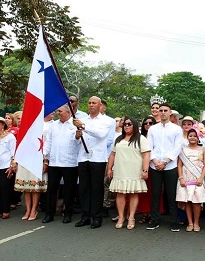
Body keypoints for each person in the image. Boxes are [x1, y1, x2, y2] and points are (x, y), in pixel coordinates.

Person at [73, 96, 115, 229]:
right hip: (83, 157)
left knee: (96, 189)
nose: (91, 105)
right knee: (84, 188)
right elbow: (76, 140)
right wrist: (77, 136)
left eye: (94, 103)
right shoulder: (83, 120)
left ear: (100, 105)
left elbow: (101, 135)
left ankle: (96, 217)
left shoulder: (106, 120)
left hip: (97, 158)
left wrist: (83, 127)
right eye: (89, 103)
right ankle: (85, 216)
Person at [107, 116, 150, 230]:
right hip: (120, 170)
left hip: (134, 170)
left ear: (134, 125)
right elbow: (112, 154)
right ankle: (121, 217)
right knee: (120, 193)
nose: (126, 126)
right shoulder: (118, 139)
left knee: (133, 193)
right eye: (125, 124)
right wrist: (109, 168)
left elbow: (146, 155)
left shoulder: (141, 139)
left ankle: (131, 217)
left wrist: (145, 170)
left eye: (129, 124)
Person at [146, 102, 183, 231]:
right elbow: (149, 147)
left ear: (170, 113)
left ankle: (174, 221)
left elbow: (177, 147)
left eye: (165, 110)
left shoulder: (176, 129)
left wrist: (166, 161)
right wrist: (155, 162)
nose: (162, 112)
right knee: (155, 194)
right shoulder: (152, 129)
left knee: (171, 194)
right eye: (160, 110)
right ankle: (154, 219)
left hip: (170, 166)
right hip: (155, 165)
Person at [43, 104, 79, 224]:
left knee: (69, 190)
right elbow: (49, 141)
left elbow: (77, 142)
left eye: (60, 111)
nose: (58, 113)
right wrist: (45, 156)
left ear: (68, 112)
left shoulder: (75, 125)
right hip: (54, 162)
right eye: (58, 111)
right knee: (52, 189)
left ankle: (68, 213)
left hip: (70, 162)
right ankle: (49, 213)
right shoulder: (53, 125)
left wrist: (78, 136)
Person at [176, 128, 205, 232]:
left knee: (197, 201)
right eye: (190, 136)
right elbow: (180, 165)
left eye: (195, 136)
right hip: (186, 178)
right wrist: (181, 178)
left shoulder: (203, 149)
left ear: (198, 137)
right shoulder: (183, 150)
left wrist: (201, 178)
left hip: (198, 178)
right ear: (187, 137)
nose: (192, 138)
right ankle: (190, 223)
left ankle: (196, 223)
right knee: (188, 200)